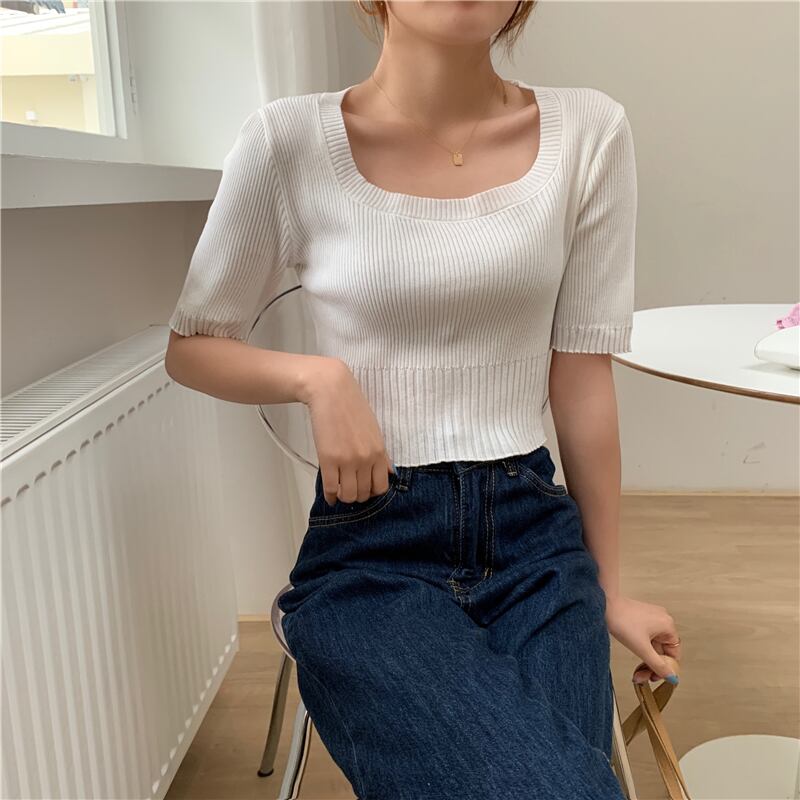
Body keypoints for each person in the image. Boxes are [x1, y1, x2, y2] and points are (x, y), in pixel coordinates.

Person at [165, 1, 683, 797]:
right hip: (369, 547)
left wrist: (609, 585)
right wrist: (316, 379)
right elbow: (192, 346)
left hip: (536, 543)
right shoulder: (288, 140)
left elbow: (581, 374)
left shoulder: (590, 132)